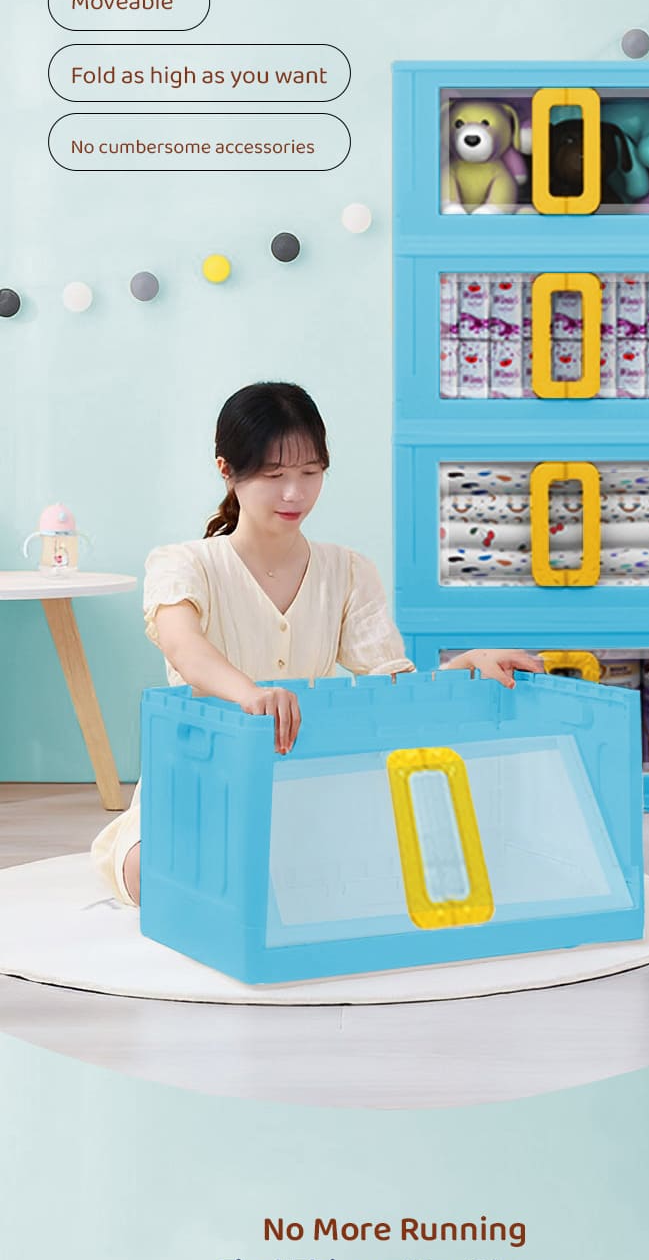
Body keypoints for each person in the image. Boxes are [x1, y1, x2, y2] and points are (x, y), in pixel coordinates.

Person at [91, 377, 542, 908]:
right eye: (274, 475)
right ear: (227, 471)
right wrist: (250, 694)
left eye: (310, 473)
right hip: (201, 776)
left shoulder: (347, 570)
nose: (295, 493)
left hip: (306, 782)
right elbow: (183, 648)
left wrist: (465, 666)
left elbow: (389, 687)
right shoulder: (185, 563)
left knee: (370, 871)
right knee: (158, 875)